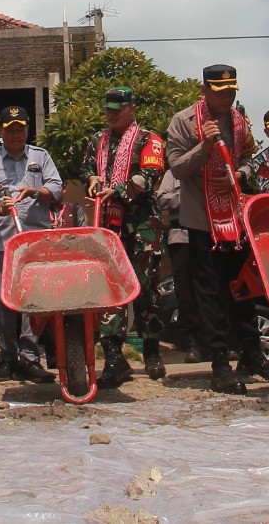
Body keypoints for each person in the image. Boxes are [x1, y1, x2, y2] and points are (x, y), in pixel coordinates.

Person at [165, 64, 269, 394]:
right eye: (220, 92)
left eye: (231, 92)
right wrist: (205, 148)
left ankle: (252, 354)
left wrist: (239, 175)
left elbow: (251, 159)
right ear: (204, 90)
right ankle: (220, 365)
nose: (227, 97)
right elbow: (177, 167)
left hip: (235, 221)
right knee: (209, 295)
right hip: (201, 222)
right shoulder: (183, 122)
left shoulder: (240, 122)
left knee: (243, 290)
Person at [82, 86, 169, 385]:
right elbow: (85, 170)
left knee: (146, 290)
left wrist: (117, 190)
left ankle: (152, 352)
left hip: (143, 223)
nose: (111, 114)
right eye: (108, 108)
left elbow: (149, 177)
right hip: (108, 224)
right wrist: (91, 180)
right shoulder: (98, 140)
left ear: (132, 108)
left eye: (117, 109)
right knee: (110, 291)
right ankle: (115, 360)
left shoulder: (149, 139)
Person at [0, 105, 61, 384]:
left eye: (21, 128)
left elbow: (57, 188)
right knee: (4, 300)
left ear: (27, 129)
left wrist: (35, 191)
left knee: (33, 299)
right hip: (3, 242)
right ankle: (8, 357)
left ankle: (30, 357)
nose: (16, 134)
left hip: (36, 240)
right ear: (1, 131)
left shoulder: (40, 156)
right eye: (10, 129)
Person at [155, 171, 205, 361]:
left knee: (210, 288)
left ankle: (219, 342)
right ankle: (192, 343)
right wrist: (190, 197)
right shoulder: (173, 173)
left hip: (207, 232)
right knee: (185, 292)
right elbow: (162, 200)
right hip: (181, 236)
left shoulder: (207, 167)